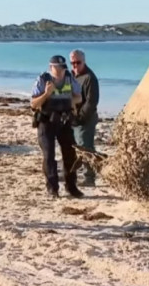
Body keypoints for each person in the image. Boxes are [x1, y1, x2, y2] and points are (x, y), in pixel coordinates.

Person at [31, 55, 84, 199]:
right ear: (51, 67)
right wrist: (47, 94)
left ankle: (71, 187)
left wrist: (71, 99)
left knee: (70, 154)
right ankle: (52, 188)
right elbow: (33, 104)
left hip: (65, 121)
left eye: (62, 67)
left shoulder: (69, 77)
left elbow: (79, 97)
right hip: (47, 122)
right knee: (49, 155)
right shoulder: (43, 80)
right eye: (58, 68)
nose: (61, 70)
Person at [69, 49, 100, 187]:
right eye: (72, 63)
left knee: (86, 148)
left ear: (84, 61)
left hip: (85, 119)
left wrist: (80, 118)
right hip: (73, 118)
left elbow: (91, 102)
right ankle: (74, 173)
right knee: (76, 147)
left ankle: (89, 177)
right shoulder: (71, 76)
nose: (75, 65)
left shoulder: (89, 78)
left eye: (78, 62)